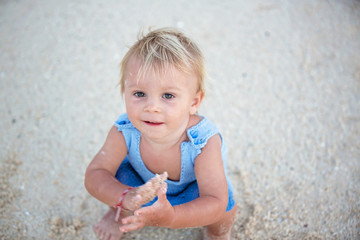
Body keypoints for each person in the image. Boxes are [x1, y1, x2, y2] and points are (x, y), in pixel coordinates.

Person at [84, 27, 237, 240]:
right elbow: (95, 174)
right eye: (139, 93)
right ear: (124, 93)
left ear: (194, 102)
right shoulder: (124, 131)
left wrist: (172, 217)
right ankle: (118, 213)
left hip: (192, 192)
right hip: (141, 187)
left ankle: (217, 235)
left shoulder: (203, 142)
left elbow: (215, 201)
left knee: (226, 206)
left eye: (167, 95)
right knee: (119, 175)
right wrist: (125, 197)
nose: (152, 107)